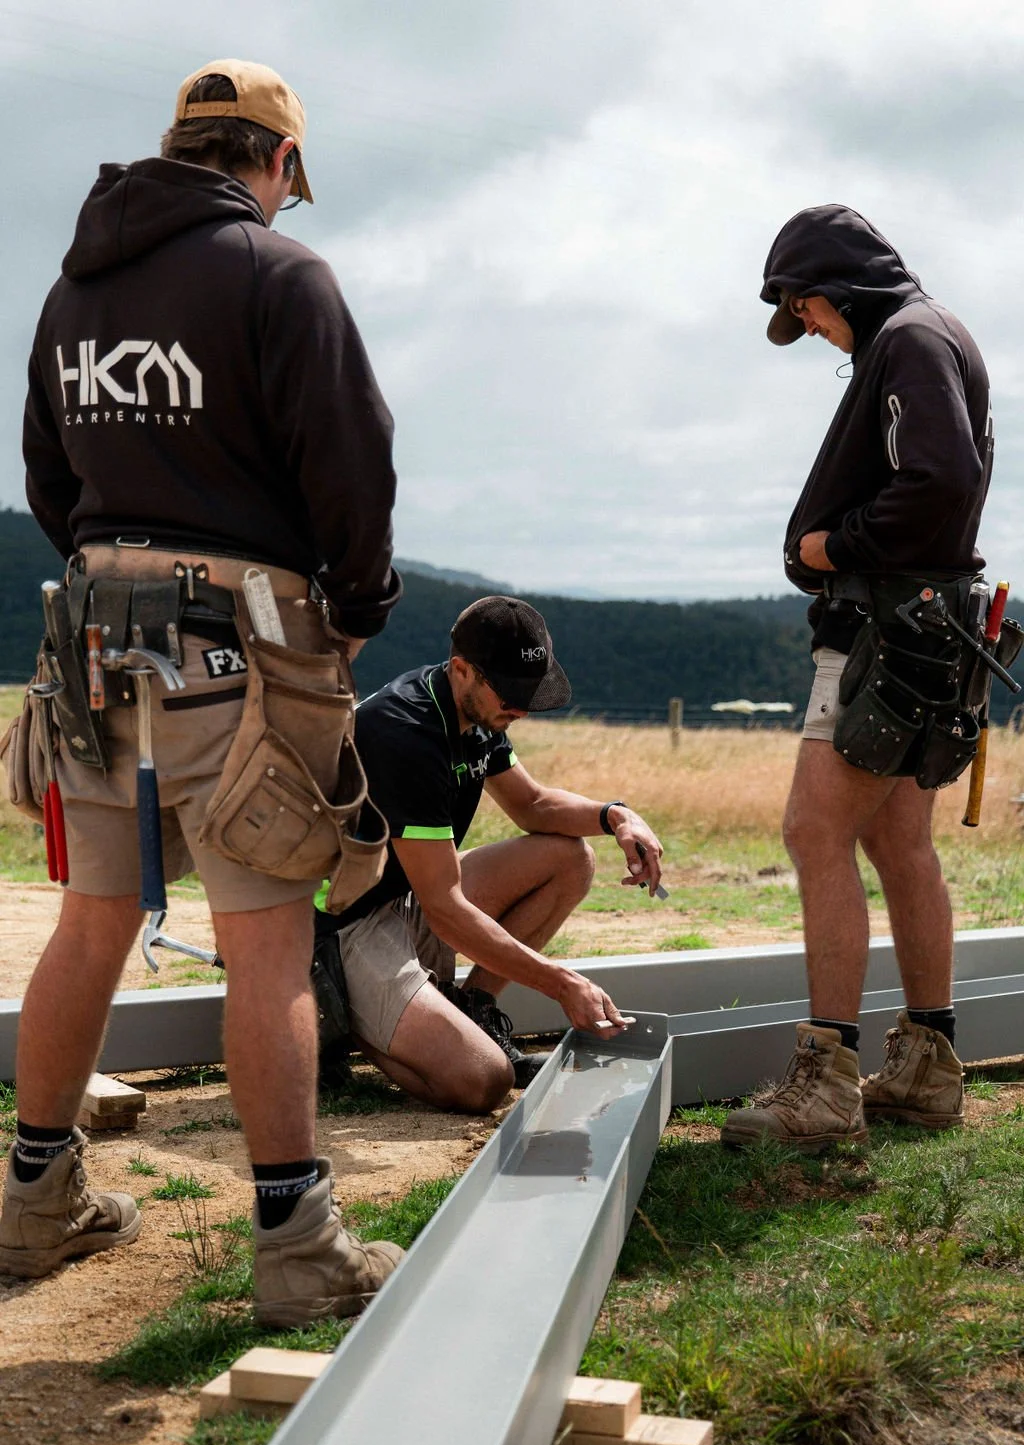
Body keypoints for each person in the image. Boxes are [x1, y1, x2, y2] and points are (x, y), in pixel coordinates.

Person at [0, 60, 406, 1323]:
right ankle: (296, 1245)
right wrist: (352, 610)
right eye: (291, 182)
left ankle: (33, 1204)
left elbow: (49, 479)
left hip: (93, 646)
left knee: (94, 918)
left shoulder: (75, 291)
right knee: (268, 939)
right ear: (276, 163)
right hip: (240, 648)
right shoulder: (280, 278)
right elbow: (354, 466)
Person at [722, 204, 993, 1151]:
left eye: (810, 317)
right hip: (923, 625)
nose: (815, 335)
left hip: (887, 628)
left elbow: (943, 480)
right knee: (899, 844)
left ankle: (826, 1082)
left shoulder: (910, 339)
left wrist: (834, 544)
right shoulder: (929, 333)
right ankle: (926, 1066)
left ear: (830, 291)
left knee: (814, 829)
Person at [312, 595, 665, 1113]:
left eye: (529, 694)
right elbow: (446, 911)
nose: (520, 709)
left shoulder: (476, 711)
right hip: (343, 923)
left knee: (572, 858)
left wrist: (616, 815)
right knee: (482, 1080)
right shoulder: (406, 733)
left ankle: (469, 1007)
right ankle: (341, 1019)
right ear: (462, 670)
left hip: (406, 892)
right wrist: (562, 983)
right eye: (510, 694)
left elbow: (533, 805)